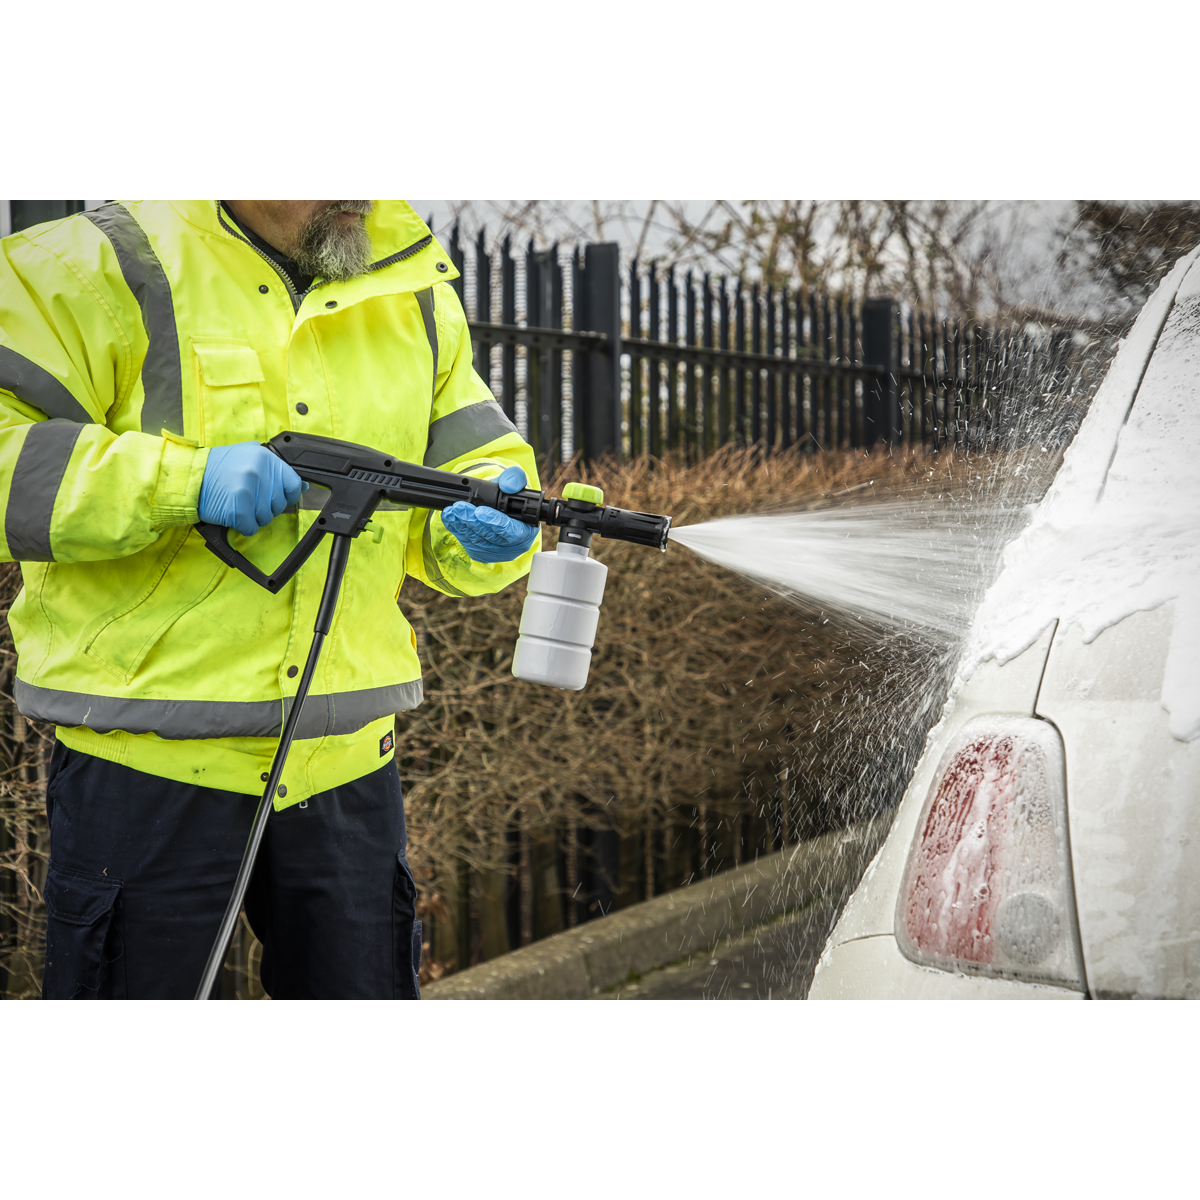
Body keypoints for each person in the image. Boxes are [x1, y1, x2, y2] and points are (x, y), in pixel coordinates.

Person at [0, 200, 540, 999]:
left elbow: (476, 467)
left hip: (348, 762)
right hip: (148, 763)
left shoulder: (412, 288)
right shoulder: (83, 264)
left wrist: (491, 523)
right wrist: (184, 482)